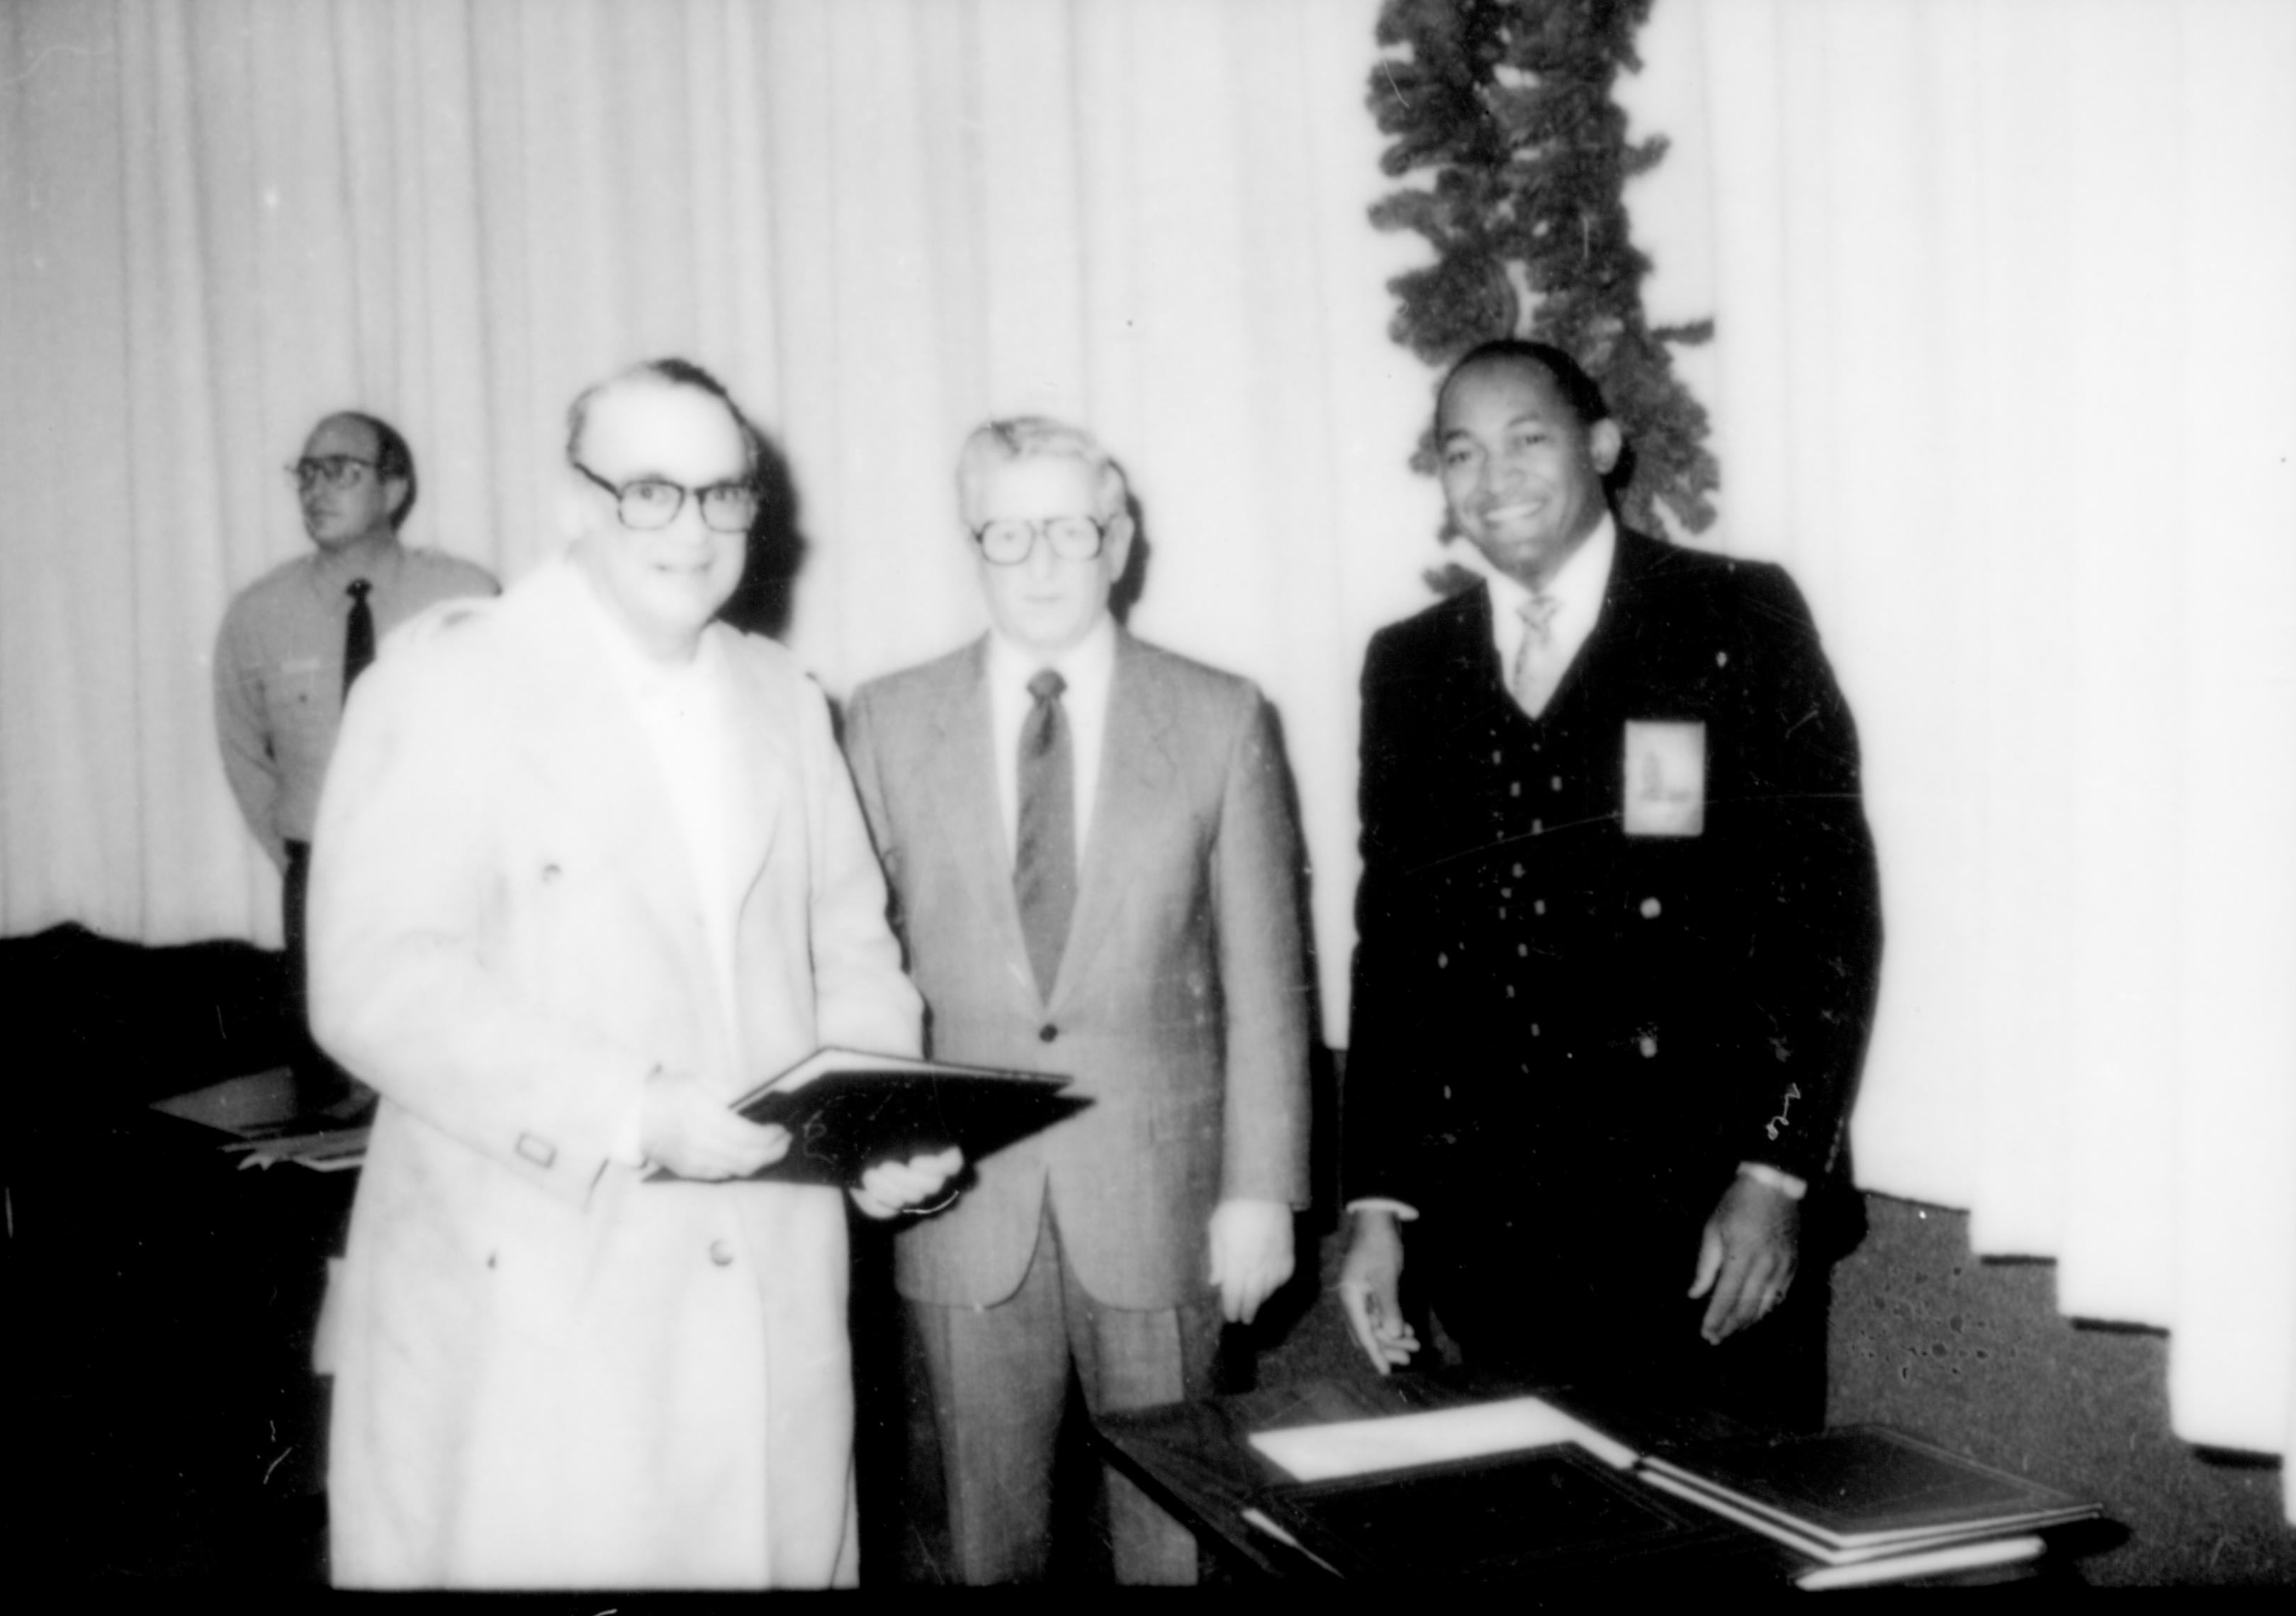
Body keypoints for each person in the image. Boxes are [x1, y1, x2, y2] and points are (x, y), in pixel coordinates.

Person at [306, 359, 961, 1588]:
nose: (695, 529)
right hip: (543, 1298)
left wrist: (877, 1122)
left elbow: (851, 952)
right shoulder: (449, 679)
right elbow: (375, 980)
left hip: (766, 1290)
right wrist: (630, 1105)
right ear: (574, 501)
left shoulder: (782, 696)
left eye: (724, 494)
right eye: (651, 491)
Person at [1338, 340, 1882, 1432]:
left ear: (1601, 446)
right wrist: (1380, 1202)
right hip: (1498, 1236)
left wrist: (1776, 1169)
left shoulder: (1736, 616)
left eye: (1527, 439)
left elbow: (1827, 923)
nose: (1494, 479)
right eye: (1462, 453)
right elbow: (1394, 950)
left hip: (1708, 1227)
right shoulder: (1411, 664)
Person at [843, 417, 1311, 1583]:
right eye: (1008, 533)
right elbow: (850, 956)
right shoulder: (888, 722)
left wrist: (1262, 1187)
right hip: (959, 1203)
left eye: (1069, 528)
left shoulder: (1221, 715)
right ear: (974, 546)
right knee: (979, 1542)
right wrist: (871, 1139)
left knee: (1175, 1541)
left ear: (1120, 539)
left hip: (1163, 1204)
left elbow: (1266, 975)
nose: (1041, 560)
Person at [213, 412, 497, 1009]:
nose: (316, 489)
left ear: (393, 490)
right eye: (308, 473)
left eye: (340, 471)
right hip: (319, 881)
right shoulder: (259, 615)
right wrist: (311, 861)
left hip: (441, 874)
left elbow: (502, 737)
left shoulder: (465, 596)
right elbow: (245, 757)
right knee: (324, 1075)